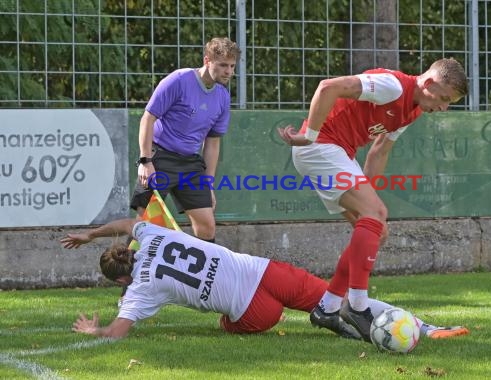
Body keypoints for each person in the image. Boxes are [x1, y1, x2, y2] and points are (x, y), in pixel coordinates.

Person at [277, 58, 469, 342]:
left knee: (377, 230)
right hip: (321, 146)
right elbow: (328, 87)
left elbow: (379, 151)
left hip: (338, 152)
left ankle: (327, 308)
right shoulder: (392, 87)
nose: (443, 108)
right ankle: (357, 306)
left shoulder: (413, 110)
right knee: (375, 215)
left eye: (449, 103)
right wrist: (309, 135)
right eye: (443, 99)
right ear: (428, 84)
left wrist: (371, 204)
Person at [61, 219, 469, 341]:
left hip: (256, 312)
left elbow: (117, 332)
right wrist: (90, 234)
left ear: (121, 281)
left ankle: (345, 324)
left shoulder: (140, 290)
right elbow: (128, 223)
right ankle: (425, 328)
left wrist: (93, 329)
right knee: (337, 295)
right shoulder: (151, 234)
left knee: (223, 322)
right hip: (265, 270)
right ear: (128, 249)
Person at [132, 36, 241, 243]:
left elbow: (213, 142)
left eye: (232, 66)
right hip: (160, 157)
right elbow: (147, 118)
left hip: (191, 164)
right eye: (223, 65)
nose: (229, 72)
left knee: (207, 227)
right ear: (207, 60)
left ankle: (205, 275)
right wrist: (145, 161)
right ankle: (129, 274)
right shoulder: (179, 80)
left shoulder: (223, 96)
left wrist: (208, 183)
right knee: (143, 224)